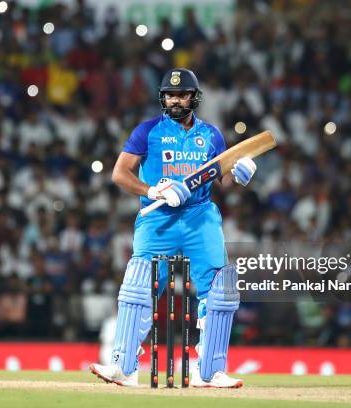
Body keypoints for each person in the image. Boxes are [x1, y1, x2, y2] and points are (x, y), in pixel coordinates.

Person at [89, 68, 257, 388]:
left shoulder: (211, 135)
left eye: (182, 94)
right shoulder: (148, 131)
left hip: (200, 216)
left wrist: (240, 175)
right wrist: (152, 191)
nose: (175, 99)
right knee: (139, 284)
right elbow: (120, 174)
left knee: (221, 289)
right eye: (170, 94)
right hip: (157, 218)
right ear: (163, 97)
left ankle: (209, 372)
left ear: (194, 97)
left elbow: (225, 181)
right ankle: (123, 367)